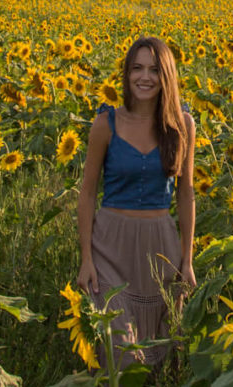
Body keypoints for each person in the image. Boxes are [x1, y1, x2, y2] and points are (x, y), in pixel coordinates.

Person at [76, 36, 196, 367]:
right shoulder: (106, 123)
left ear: (167, 75)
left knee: (162, 349)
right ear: (127, 74)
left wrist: (187, 260)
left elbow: (186, 194)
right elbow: (87, 193)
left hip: (160, 247)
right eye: (137, 68)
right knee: (119, 350)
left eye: (155, 70)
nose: (145, 77)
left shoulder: (182, 125)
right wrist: (86, 258)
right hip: (110, 247)